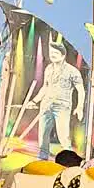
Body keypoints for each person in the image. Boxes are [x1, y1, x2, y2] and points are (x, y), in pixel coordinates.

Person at [27, 31, 84, 160]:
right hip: (46, 105)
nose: (52, 55)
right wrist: (34, 101)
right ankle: (42, 159)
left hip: (62, 106)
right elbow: (45, 87)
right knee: (43, 134)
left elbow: (81, 90)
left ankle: (69, 161)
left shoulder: (72, 71)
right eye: (51, 53)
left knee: (63, 135)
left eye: (56, 53)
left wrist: (79, 107)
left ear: (63, 55)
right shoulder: (48, 68)